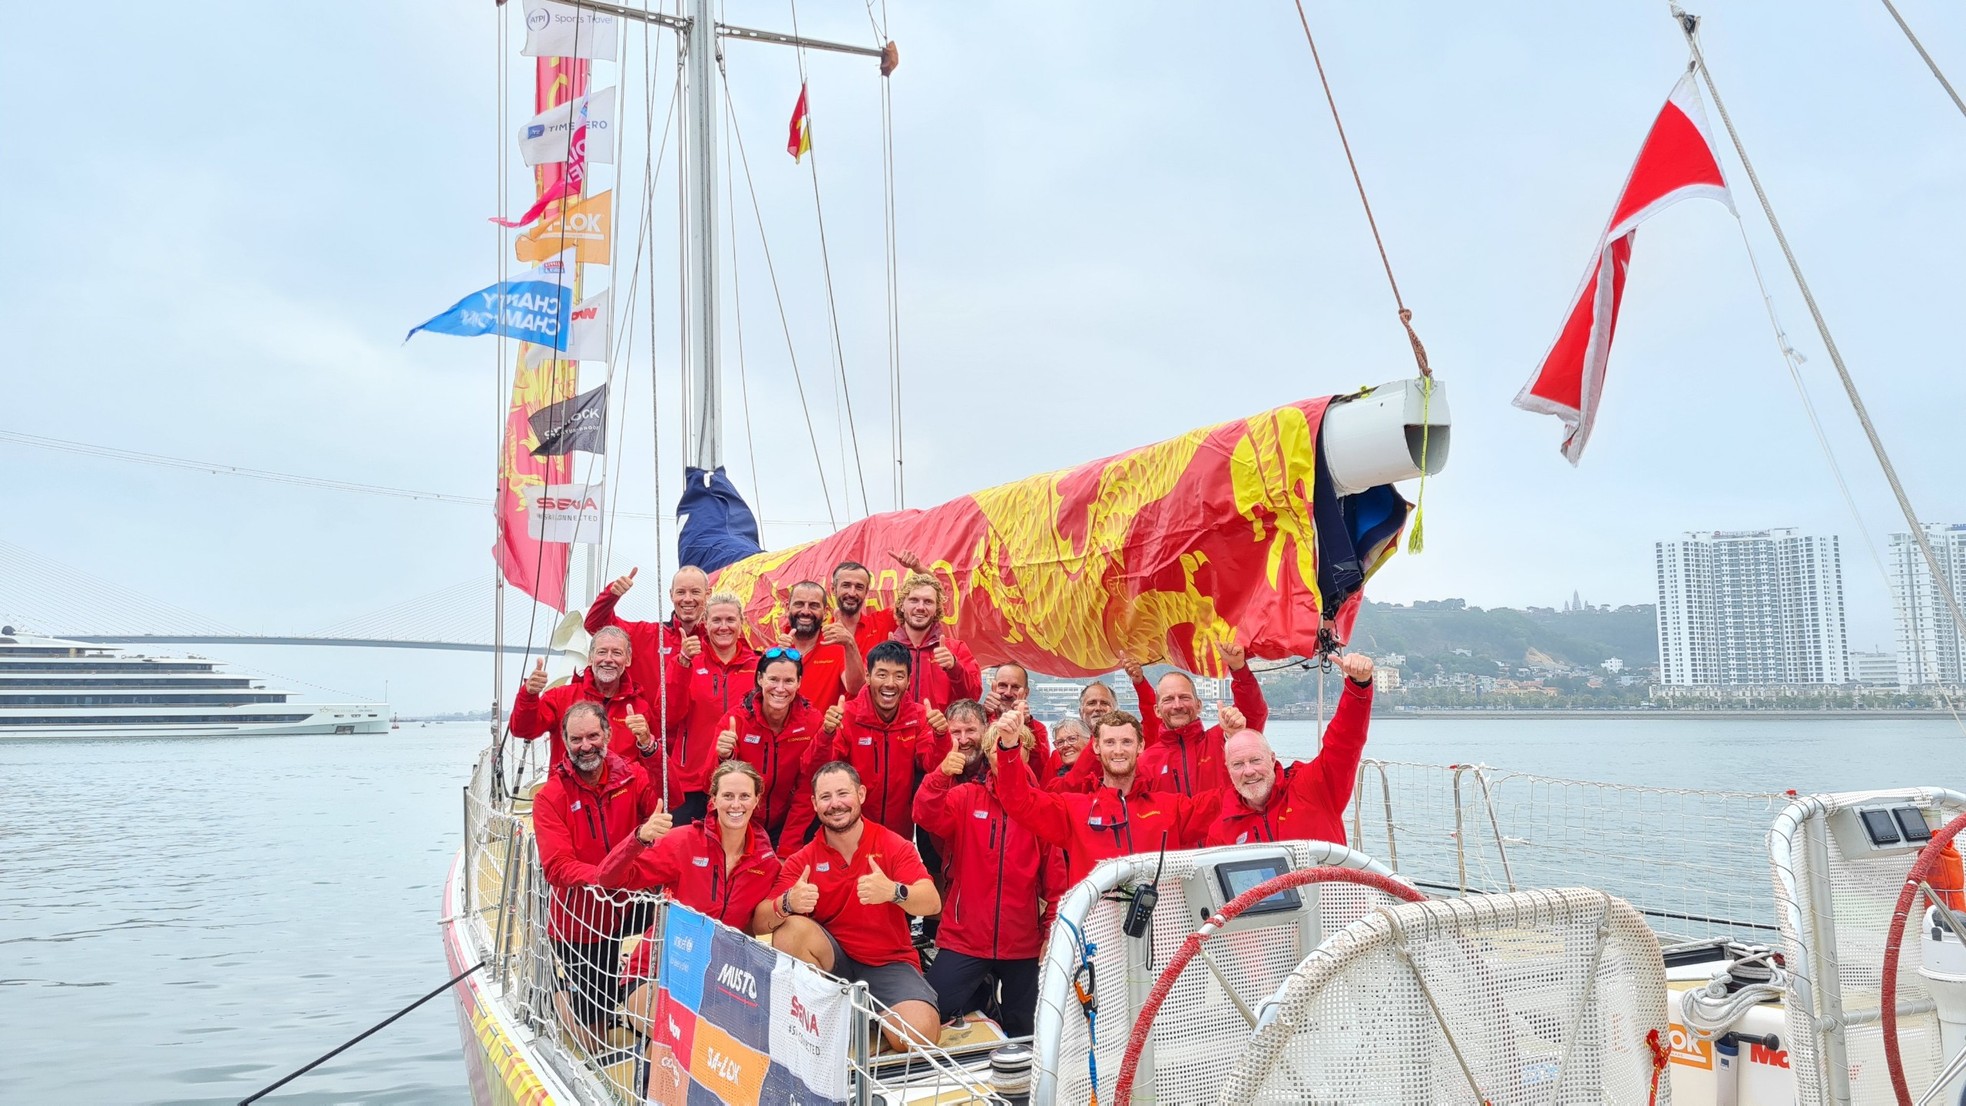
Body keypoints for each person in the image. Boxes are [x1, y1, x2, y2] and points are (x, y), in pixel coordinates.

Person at [754, 762, 944, 1052]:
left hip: (888, 963)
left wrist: (894, 891)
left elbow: (931, 902)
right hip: (832, 966)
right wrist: (787, 902)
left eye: (843, 793)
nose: (835, 804)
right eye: (826, 797)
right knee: (791, 928)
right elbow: (760, 922)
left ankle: (859, 1025)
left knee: (919, 1036)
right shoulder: (801, 859)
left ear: (861, 795)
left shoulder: (893, 844)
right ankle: (826, 1019)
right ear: (815, 804)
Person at [600, 761, 782, 1056]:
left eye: (744, 796)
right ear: (713, 800)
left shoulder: (766, 863)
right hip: (656, 971)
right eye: (728, 796)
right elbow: (608, 878)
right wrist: (639, 839)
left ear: (757, 801)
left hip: (715, 981)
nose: (736, 804)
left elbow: (762, 921)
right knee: (678, 1032)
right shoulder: (684, 842)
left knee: (735, 1046)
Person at [913, 702, 1061, 1037]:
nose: (1004, 752)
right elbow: (925, 814)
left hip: (1022, 942)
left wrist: (1050, 933)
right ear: (988, 753)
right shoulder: (966, 795)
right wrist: (939, 775)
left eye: (1013, 744)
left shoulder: (1043, 809)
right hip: (966, 937)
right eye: (997, 745)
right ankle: (982, 1006)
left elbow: (1055, 884)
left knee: (1027, 1026)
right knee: (932, 1012)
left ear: (1024, 751)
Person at [530, 702, 662, 1053]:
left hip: (635, 907)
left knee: (656, 987)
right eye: (576, 739)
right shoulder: (550, 797)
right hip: (582, 922)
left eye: (592, 736)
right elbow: (556, 866)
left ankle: (623, 993)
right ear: (564, 742)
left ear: (607, 735)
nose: (585, 746)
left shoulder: (632, 776)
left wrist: (649, 748)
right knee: (594, 1034)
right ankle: (558, 994)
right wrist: (607, 877)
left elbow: (668, 802)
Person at [991, 708, 1222, 887]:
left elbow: (1227, 801)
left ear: (1141, 746)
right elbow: (1019, 801)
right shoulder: (1073, 809)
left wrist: (1237, 743)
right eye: (1110, 742)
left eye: (1127, 742)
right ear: (1096, 747)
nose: (1119, 751)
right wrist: (1009, 746)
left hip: (1159, 932)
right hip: (1098, 935)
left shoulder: (1171, 807)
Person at [1206, 654, 1374, 847]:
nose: (1249, 771)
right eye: (1238, 764)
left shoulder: (1314, 787)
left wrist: (1358, 685)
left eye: (1255, 760)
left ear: (1272, 758)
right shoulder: (1221, 830)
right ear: (1227, 769)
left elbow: (1345, 743)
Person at [810, 640, 945, 839]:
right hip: (850, 830)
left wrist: (941, 736)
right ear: (868, 677)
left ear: (908, 681)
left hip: (899, 833)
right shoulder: (846, 715)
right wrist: (826, 734)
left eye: (899, 676)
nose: (890, 683)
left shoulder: (918, 716)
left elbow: (931, 764)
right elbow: (818, 769)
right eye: (882, 674)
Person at [506, 627, 656, 770]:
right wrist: (528, 695)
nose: (608, 659)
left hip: (620, 794)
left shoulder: (640, 708)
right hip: (570, 794)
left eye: (616, 653)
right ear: (590, 658)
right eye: (602, 652)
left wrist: (647, 744)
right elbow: (522, 730)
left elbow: (652, 765)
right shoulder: (560, 698)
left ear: (628, 660)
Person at [669, 592, 759, 826]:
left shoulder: (759, 666)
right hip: (692, 781)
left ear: (742, 623)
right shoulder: (687, 662)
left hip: (741, 781)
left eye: (730, 620)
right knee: (686, 853)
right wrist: (683, 664)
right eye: (716, 620)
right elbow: (669, 714)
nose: (723, 627)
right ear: (705, 623)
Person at [582, 565, 710, 728]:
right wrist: (611, 595)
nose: (687, 598)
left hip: (698, 744)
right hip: (648, 741)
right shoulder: (646, 635)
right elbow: (595, 626)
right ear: (671, 595)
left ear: (708, 594)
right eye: (680, 592)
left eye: (695, 592)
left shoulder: (718, 642)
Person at [1136, 642, 1269, 795]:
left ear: (1198, 705)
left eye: (1184, 697)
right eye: (1168, 699)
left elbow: (1253, 712)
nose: (1177, 705)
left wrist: (1239, 669)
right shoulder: (1145, 762)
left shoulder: (1226, 737)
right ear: (1157, 710)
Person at [728, 648, 827, 848]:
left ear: (799, 682)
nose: (780, 689)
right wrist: (723, 758)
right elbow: (712, 785)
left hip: (788, 825)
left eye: (789, 681)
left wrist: (787, 847)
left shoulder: (813, 722)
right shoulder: (736, 720)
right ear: (760, 679)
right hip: (741, 824)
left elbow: (808, 788)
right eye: (773, 679)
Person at [888, 572, 981, 712]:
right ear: (901, 606)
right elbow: (869, 697)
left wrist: (954, 668)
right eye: (914, 600)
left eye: (928, 601)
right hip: (898, 732)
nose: (920, 607)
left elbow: (972, 699)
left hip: (940, 732)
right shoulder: (885, 650)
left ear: (937, 609)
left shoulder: (956, 649)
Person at [777, 579, 864, 714]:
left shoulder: (838, 648)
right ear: (787, 608)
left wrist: (850, 643)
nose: (805, 611)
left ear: (825, 611)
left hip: (825, 733)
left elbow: (857, 689)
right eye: (799, 604)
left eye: (814, 606)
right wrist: (776, 660)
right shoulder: (774, 652)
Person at [982, 663, 1050, 763]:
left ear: (1026, 693)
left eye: (1015, 687)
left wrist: (1027, 724)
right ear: (993, 687)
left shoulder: (1038, 729)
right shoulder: (979, 719)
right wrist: (984, 714)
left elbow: (1040, 770)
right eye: (1003, 686)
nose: (1008, 693)